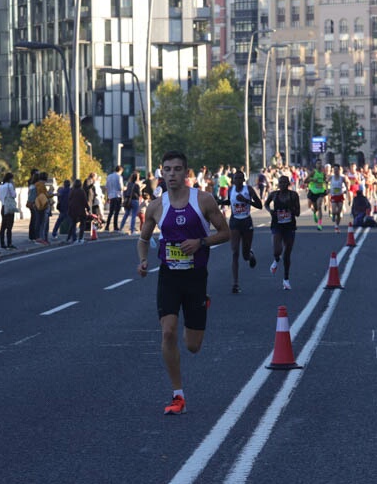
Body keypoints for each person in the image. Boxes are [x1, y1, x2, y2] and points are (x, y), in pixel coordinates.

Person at [137, 150, 230, 415]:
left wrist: (200, 242)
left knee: (192, 345)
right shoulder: (156, 206)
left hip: (195, 277)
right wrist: (143, 261)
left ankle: (203, 304)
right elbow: (143, 240)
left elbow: (225, 232)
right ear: (161, 173)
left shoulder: (203, 200)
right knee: (167, 331)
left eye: (177, 169)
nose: (172, 174)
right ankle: (178, 395)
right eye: (167, 169)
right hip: (169, 276)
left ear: (186, 173)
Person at [223, 170, 262, 293]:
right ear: (233, 180)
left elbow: (259, 205)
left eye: (240, 178)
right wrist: (218, 202)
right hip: (235, 221)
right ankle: (235, 283)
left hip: (246, 221)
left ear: (243, 180)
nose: (238, 180)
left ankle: (250, 255)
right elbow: (230, 202)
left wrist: (246, 201)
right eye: (236, 178)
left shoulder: (248, 190)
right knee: (235, 252)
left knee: (244, 255)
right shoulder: (231, 190)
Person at [264, 175, 301, 290]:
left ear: (289, 184)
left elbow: (298, 212)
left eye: (285, 182)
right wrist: (270, 211)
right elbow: (266, 204)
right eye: (281, 182)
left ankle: (286, 279)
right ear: (278, 184)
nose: (283, 184)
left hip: (289, 226)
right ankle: (276, 259)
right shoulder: (274, 194)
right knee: (277, 250)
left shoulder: (293, 195)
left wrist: (291, 209)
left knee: (287, 254)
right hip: (277, 225)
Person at [0, 172, 17, 249]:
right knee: (9, 226)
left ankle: (2, 243)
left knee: (3, 226)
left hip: (3, 206)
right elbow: (14, 195)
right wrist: (13, 187)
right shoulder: (10, 185)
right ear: (10, 179)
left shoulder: (1, 186)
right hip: (9, 207)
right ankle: (9, 243)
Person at [306, 163, 327, 230]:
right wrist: (312, 180)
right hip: (312, 191)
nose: (319, 165)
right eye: (318, 164)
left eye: (320, 164)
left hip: (320, 192)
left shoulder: (323, 174)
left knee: (319, 206)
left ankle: (319, 224)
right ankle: (314, 212)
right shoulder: (313, 172)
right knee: (311, 206)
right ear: (316, 165)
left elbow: (325, 182)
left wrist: (327, 188)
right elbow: (305, 181)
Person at [327, 164, 347, 233]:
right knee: (334, 211)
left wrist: (347, 189)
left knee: (339, 212)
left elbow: (346, 183)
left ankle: (336, 226)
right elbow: (326, 182)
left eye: (336, 169)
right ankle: (333, 215)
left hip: (340, 195)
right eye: (334, 169)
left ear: (339, 170)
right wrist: (327, 189)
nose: (335, 171)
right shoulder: (331, 177)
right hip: (333, 195)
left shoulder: (342, 178)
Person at [105, 165, 124, 231]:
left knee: (110, 212)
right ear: (120, 170)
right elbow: (120, 188)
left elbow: (106, 187)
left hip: (111, 195)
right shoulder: (119, 177)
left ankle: (107, 226)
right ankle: (115, 226)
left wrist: (107, 196)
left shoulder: (109, 176)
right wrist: (125, 188)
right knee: (116, 212)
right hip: (117, 195)